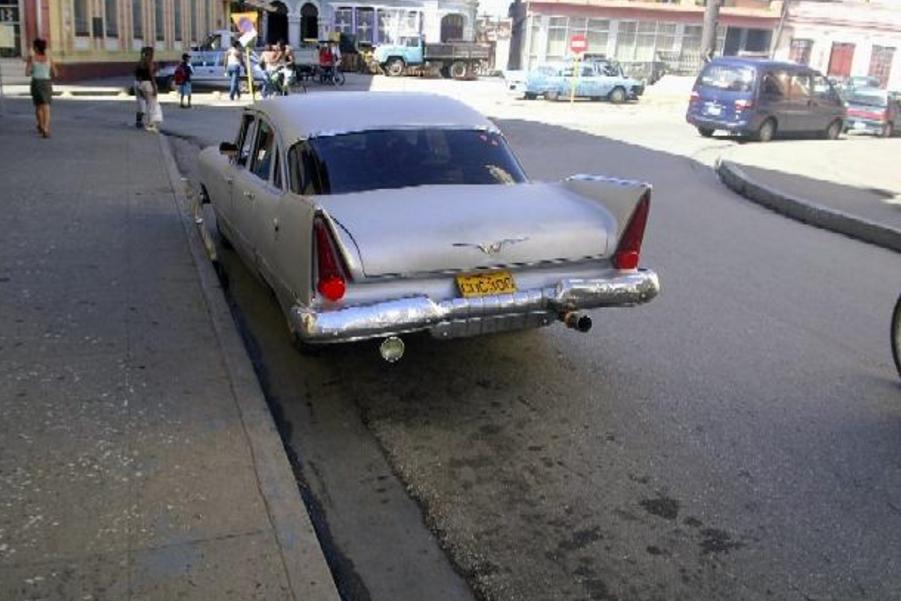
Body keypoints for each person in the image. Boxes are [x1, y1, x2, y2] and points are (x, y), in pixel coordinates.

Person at [25, 38, 57, 138]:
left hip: (36, 83)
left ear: (36, 48)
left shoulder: (32, 58)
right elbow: (55, 73)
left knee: (39, 106)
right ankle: (46, 129)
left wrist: (32, 70)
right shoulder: (49, 58)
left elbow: (27, 73)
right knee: (46, 106)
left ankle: (41, 125)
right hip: (46, 83)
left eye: (34, 47)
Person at [134, 46, 162, 132]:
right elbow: (151, 76)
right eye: (152, 53)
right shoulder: (149, 62)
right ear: (150, 54)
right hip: (148, 85)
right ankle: (150, 125)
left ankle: (139, 122)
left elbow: (135, 74)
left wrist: (139, 84)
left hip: (139, 84)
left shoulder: (140, 62)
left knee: (142, 104)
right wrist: (155, 88)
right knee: (152, 105)